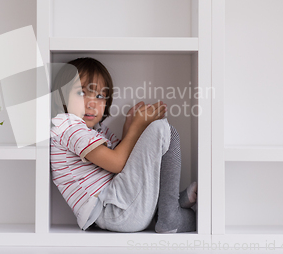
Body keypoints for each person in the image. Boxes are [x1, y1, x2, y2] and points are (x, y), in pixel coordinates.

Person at [50, 57, 197, 233]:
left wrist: (129, 126)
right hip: (114, 211)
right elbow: (117, 163)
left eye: (99, 96)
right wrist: (136, 127)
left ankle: (168, 208)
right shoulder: (67, 126)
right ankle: (169, 211)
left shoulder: (96, 130)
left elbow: (128, 162)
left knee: (201, 218)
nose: (91, 103)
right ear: (60, 98)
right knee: (162, 130)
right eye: (81, 93)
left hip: (119, 208)